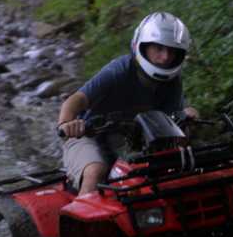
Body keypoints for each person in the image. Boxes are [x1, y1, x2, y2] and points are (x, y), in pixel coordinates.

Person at [57, 12, 198, 195]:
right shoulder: (120, 70)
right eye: (159, 48)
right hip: (88, 135)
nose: (165, 57)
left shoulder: (172, 81)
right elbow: (76, 100)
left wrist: (187, 119)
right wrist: (67, 124)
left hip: (134, 141)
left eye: (172, 51)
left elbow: (173, 125)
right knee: (95, 172)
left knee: (176, 166)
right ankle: (84, 222)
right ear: (142, 45)